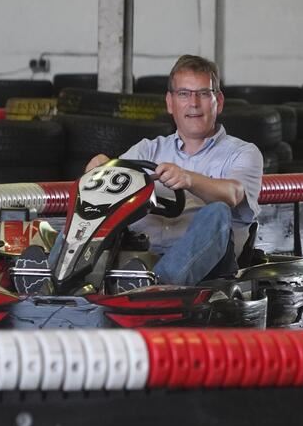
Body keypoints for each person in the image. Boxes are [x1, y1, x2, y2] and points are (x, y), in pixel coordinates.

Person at [46, 54, 263, 288]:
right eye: (184, 94)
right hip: (138, 255)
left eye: (202, 93)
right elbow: (110, 183)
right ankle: (53, 278)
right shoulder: (148, 149)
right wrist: (100, 170)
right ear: (170, 102)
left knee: (217, 211)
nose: (193, 103)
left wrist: (189, 179)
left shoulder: (243, 152)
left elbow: (233, 193)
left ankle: (155, 288)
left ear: (218, 101)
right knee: (92, 205)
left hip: (207, 269)